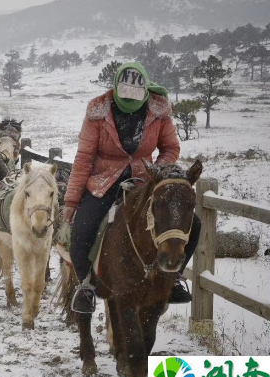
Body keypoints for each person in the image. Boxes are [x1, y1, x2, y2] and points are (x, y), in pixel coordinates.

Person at [62, 62, 201, 313]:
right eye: (125, 95)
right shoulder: (98, 112)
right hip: (103, 182)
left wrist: (156, 172)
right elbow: (84, 158)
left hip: (145, 181)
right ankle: (85, 287)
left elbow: (171, 148)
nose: (130, 100)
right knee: (83, 229)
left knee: (195, 224)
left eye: (136, 95)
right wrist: (72, 202)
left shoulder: (159, 111)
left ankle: (175, 276)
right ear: (115, 89)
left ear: (146, 91)